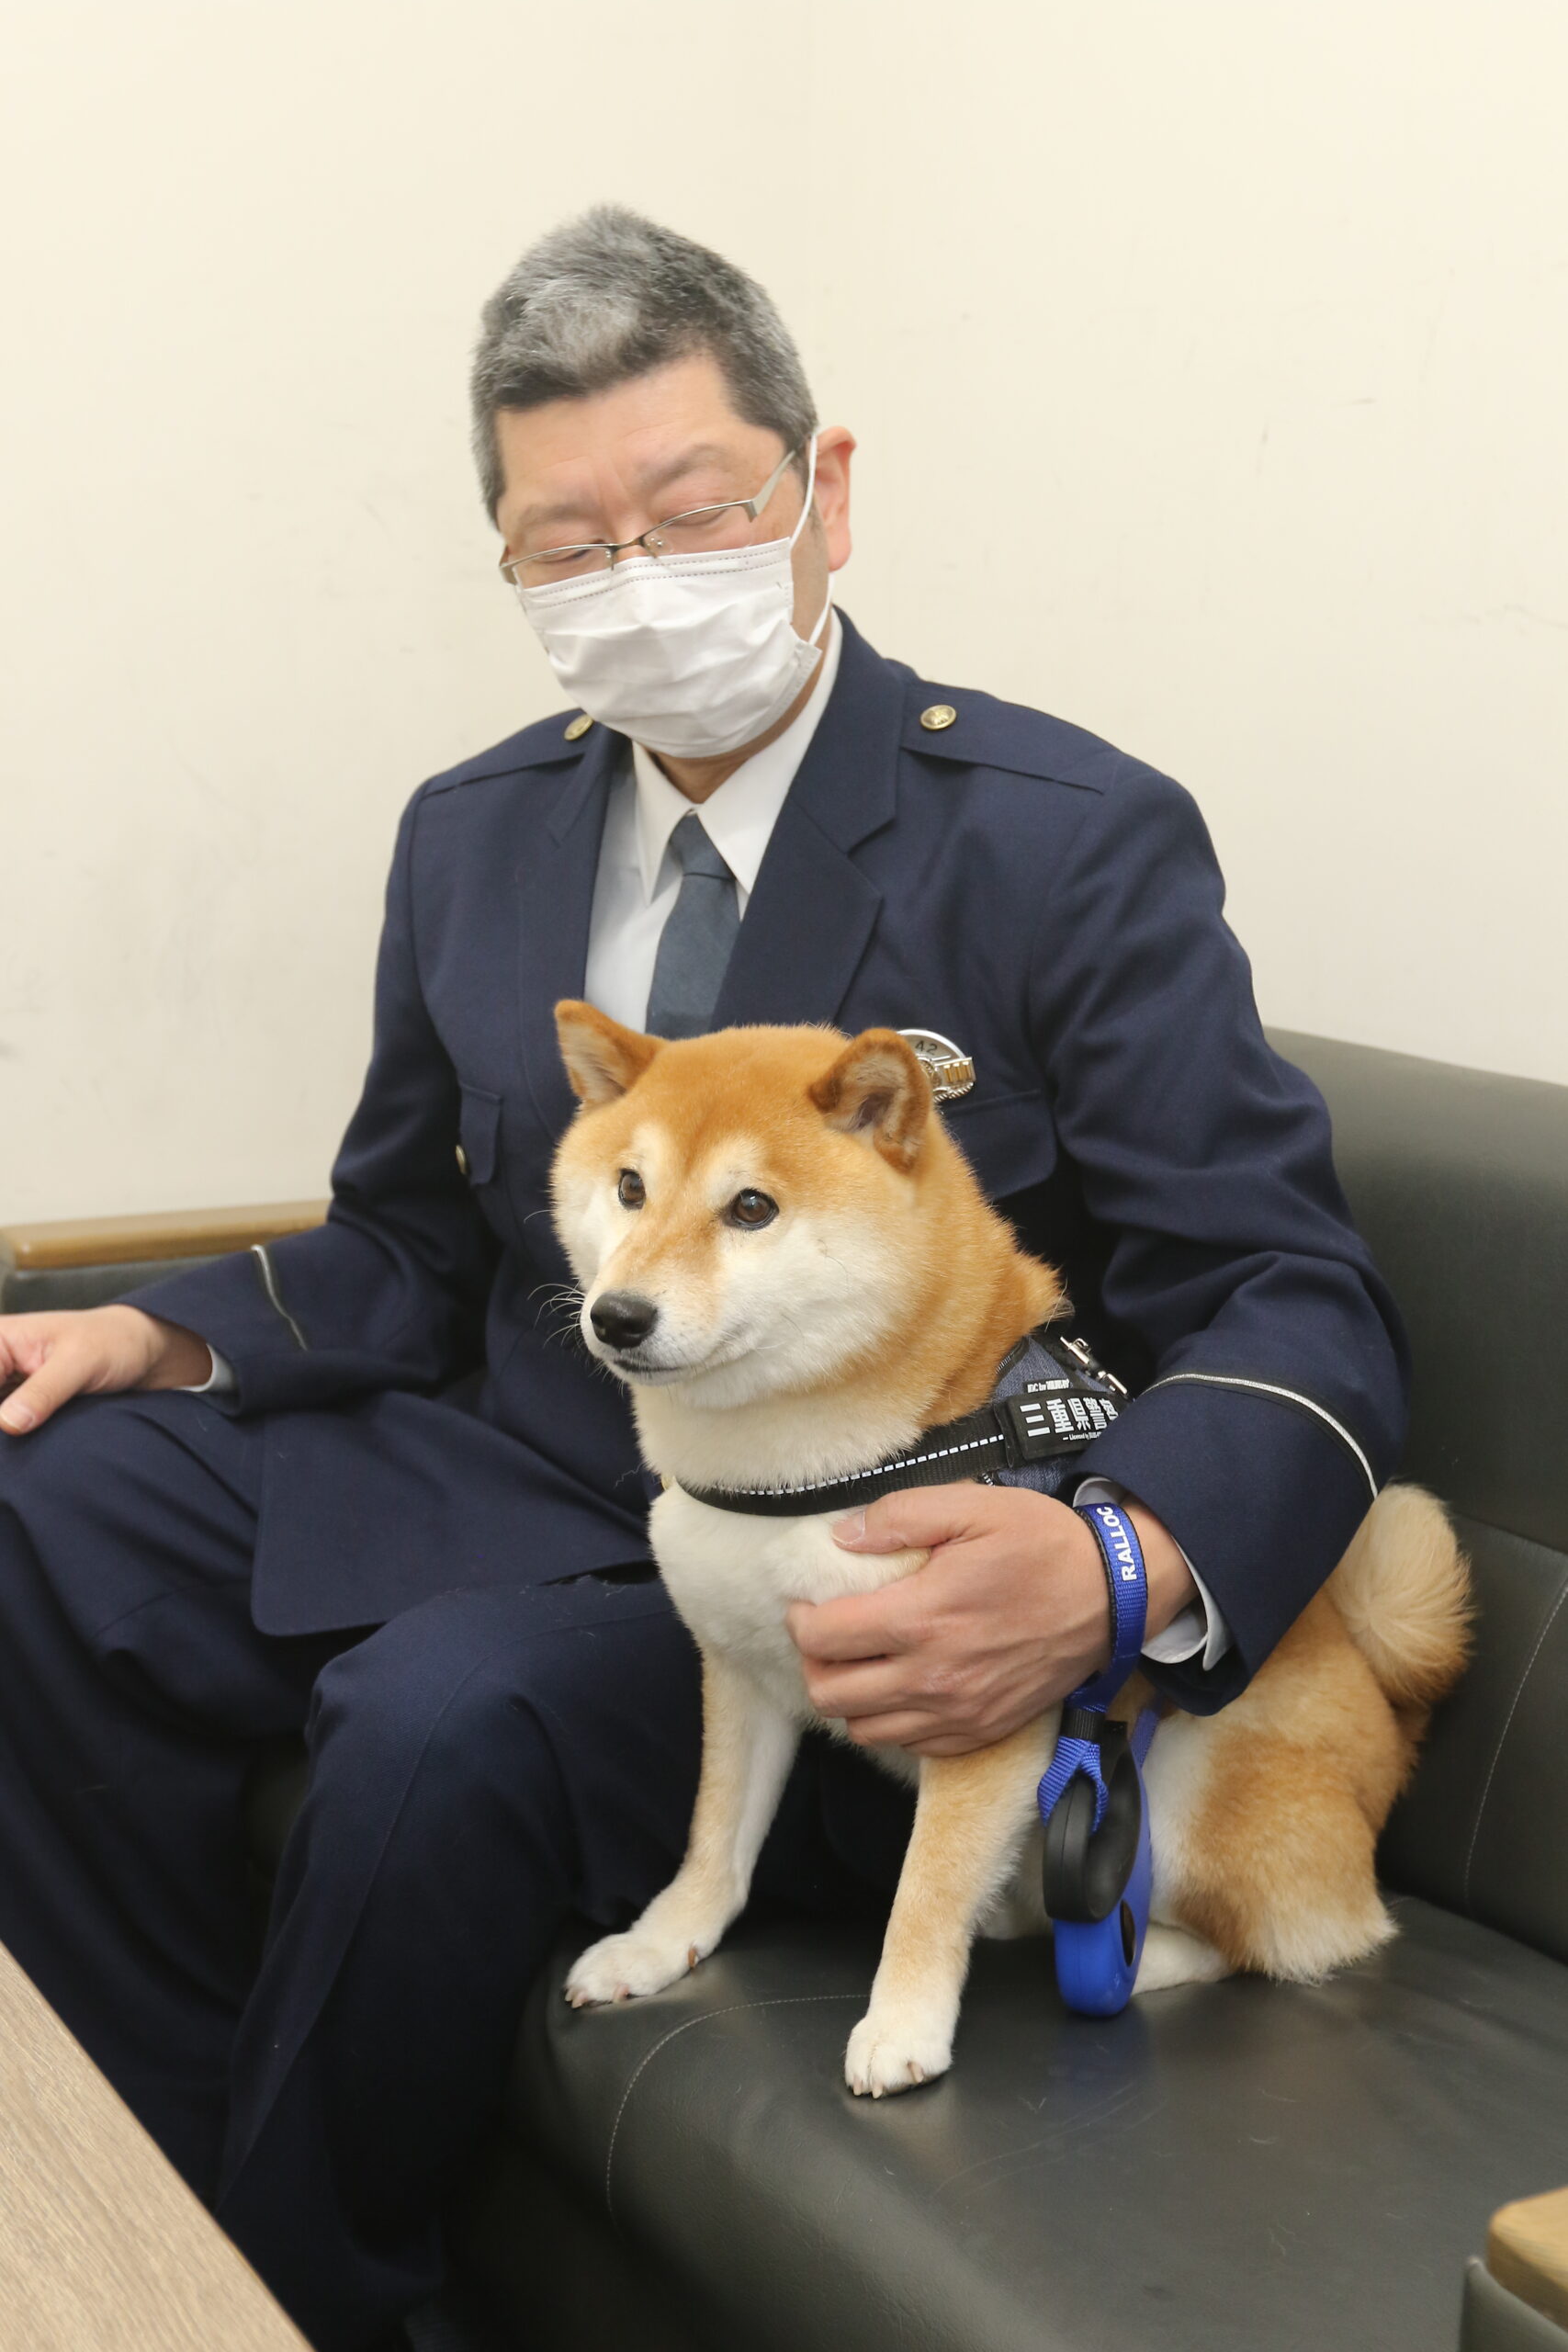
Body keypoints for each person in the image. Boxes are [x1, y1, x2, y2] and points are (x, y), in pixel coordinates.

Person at [0, 207, 1405, 2349]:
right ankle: (147, 2184)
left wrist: (1113, 1567)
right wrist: (164, 1325)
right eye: (564, 543)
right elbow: (401, 1226)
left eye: (691, 510)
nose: (635, 580)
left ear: (818, 492)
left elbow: (1284, 1287)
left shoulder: (1055, 833)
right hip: (528, 1461)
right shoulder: (470, 833)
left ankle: (296, 2301)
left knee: (429, 1724)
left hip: (832, 1566)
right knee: (40, 1510)